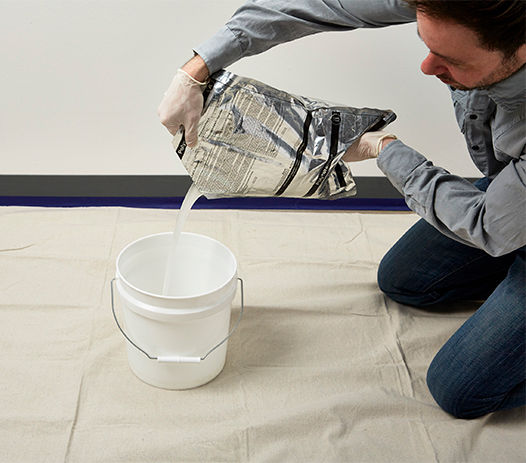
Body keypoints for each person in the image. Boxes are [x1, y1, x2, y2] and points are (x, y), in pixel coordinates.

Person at [158, 0, 525, 419]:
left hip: (501, 215)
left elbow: (485, 224)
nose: (426, 67)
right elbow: (316, 4)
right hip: (515, 196)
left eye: (450, 60)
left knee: (460, 391)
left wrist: (384, 149)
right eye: (425, 43)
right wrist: (195, 71)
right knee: (405, 282)